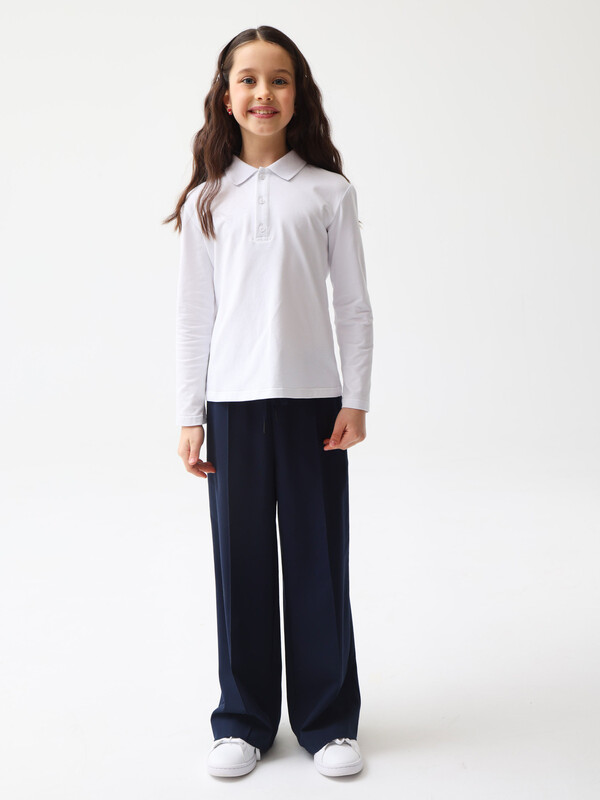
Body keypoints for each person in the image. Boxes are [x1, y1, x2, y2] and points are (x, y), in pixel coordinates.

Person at [164, 25, 374, 779]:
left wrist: (356, 398)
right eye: (248, 80)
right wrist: (191, 413)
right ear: (226, 97)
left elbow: (352, 305)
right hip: (232, 405)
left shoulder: (327, 192)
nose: (263, 93)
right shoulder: (207, 201)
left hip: (314, 402)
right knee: (241, 565)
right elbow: (193, 315)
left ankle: (328, 722)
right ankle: (243, 719)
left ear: (298, 94)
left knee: (318, 561)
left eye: (278, 79)